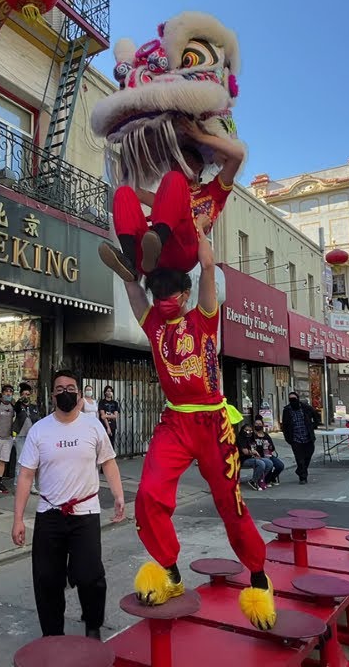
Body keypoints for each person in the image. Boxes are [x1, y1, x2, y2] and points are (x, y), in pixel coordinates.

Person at [113, 213, 276, 631]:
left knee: (230, 503)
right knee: (148, 494)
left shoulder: (202, 319)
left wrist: (206, 261)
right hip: (174, 423)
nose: (165, 299)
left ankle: (258, 577)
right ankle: (169, 571)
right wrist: (132, 275)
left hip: (212, 424)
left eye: (171, 293)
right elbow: (136, 296)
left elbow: (206, 280)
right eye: (159, 293)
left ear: (184, 294)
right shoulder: (154, 326)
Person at [12, 370, 125, 639]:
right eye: (60, 388)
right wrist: (18, 519)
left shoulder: (93, 425)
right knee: (47, 579)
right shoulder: (40, 430)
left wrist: (119, 496)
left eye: (71, 387)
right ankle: (53, 635)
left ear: (79, 392)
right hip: (49, 514)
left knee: (90, 576)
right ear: (52, 395)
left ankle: (93, 625)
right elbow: (26, 475)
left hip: (85, 513)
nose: (66, 392)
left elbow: (108, 462)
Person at [98, 119, 245, 281]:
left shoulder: (213, 192)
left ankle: (157, 240)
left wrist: (200, 136)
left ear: (199, 167)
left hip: (184, 249)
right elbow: (135, 191)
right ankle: (130, 262)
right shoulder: (167, 193)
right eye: (176, 160)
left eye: (187, 159)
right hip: (153, 257)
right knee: (124, 192)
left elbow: (237, 156)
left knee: (174, 180)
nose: (180, 164)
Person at [281, 392, 319, 485]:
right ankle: (303, 477)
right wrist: (288, 438)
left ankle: (300, 470)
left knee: (308, 456)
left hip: (308, 437)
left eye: (294, 398)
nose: (293, 401)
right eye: (291, 399)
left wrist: (313, 425)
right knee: (299, 459)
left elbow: (316, 415)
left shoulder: (305, 408)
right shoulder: (287, 410)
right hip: (295, 438)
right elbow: (285, 425)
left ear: (298, 399)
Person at [12, 382, 42, 491]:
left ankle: (32, 486)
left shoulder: (33, 407)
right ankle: (17, 486)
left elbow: (38, 420)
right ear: (21, 395)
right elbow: (15, 410)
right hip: (20, 436)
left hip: (31, 438)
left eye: (28, 394)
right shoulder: (18, 406)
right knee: (19, 462)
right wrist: (20, 402)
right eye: (24, 394)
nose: (26, 396)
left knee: (32, 462)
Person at [236, 421, 271, 490]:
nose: (249, 432)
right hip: (242, 459)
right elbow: (245, 452)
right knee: (261, 463)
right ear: (243, 430)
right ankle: (253, 481)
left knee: (269, 463)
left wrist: (256, 454)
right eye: (247, 430)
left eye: (250, 430)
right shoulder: (240, 438)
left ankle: (260, 479)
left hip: (251, 457)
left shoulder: (251, 437)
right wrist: (253, 452)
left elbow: (254, 447)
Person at [252, 417, 285, 486]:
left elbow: (272, 448)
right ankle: (265, 480)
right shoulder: (252, 435)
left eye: (260, 424)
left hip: (267, 454)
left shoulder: (265, 435)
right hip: (258, 456)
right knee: (269, 464)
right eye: (256, 424)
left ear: (262, 425)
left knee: (280, 466)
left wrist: (269, 446)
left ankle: (271, 478)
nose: (258, 425)